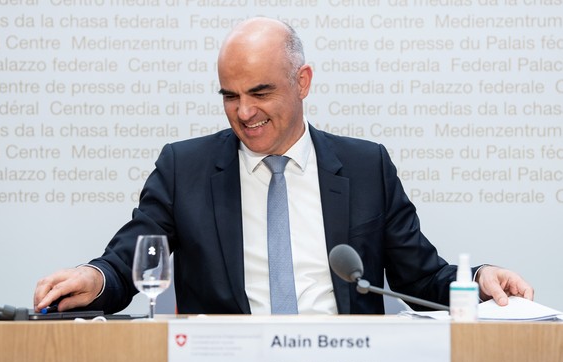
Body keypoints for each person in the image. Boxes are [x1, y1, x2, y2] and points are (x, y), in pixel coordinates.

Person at [34, 17, 533, 315]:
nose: (243, 112)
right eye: (230, 96)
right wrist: (95, 277)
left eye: (260, 92)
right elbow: (131, 261)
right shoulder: (183, 167)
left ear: (304, 81)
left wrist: (482, 279)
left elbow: (419, 277)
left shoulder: (365, 166)